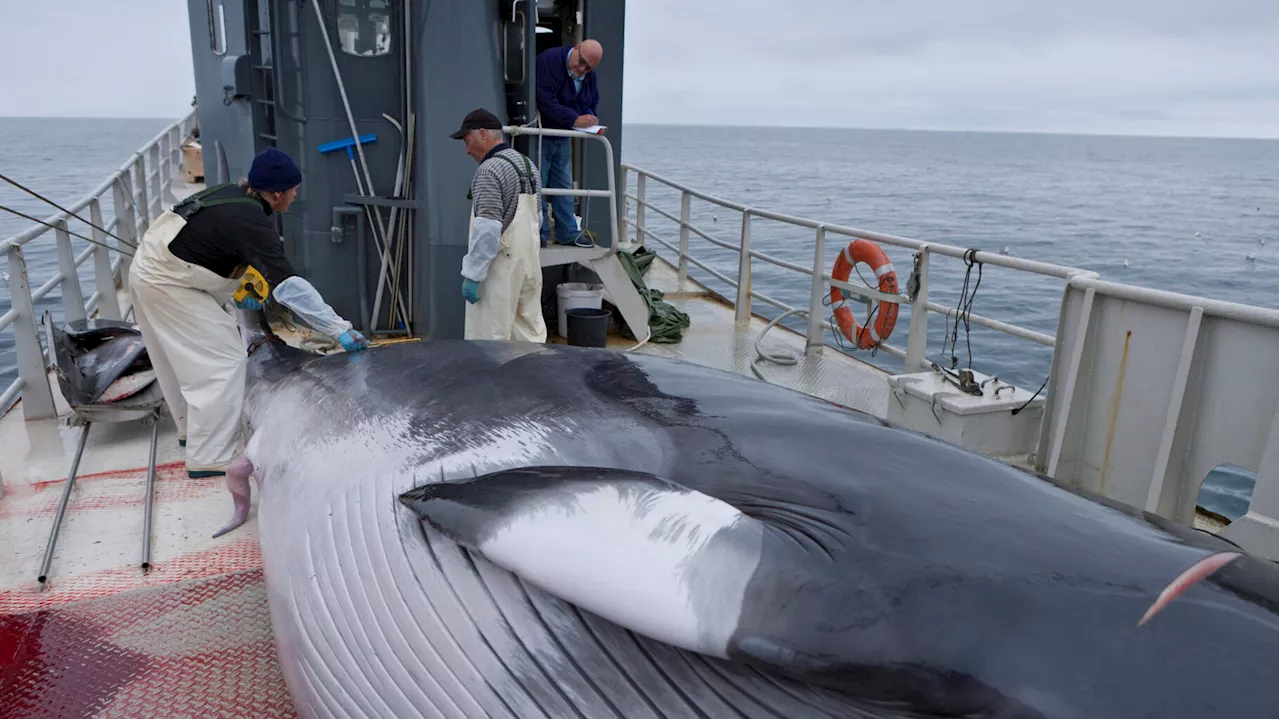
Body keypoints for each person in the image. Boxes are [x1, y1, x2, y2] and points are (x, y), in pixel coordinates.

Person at [128, 146, 368, 490]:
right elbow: (290, 287)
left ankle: (189, 431)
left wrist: (239, 281)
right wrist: (338, 329)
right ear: (275, 193)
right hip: (168, 282)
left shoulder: (238, 196)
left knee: (175, 360)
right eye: (292, 189)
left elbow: (214, 241)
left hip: (153, 267)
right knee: (222, 361)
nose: (295, 194)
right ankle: (209, 457)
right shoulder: (251, 221)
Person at [450, 108, 548, 343]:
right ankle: (533, 380)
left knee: (489, 341)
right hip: (530, 264)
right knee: (528, 337)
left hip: (500, 268)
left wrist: (473, 274)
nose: (466, 150)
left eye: (467, 140)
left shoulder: (489, 170)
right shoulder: (527, 164)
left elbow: (488, 229)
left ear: (483, 134)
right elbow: (539, 218)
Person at [534, 39, 603, 248]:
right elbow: (544, 101)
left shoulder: (588, 75)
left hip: (563, 134)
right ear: (575, 48)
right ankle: (540, 233)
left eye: (588, 68)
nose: (582, 69)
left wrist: (590, 118)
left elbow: (591, 102)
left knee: (562, 186)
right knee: (539, 185)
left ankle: (568, 233)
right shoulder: (549, 61)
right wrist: (575, 119)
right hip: (541, 133)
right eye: (581, 62)